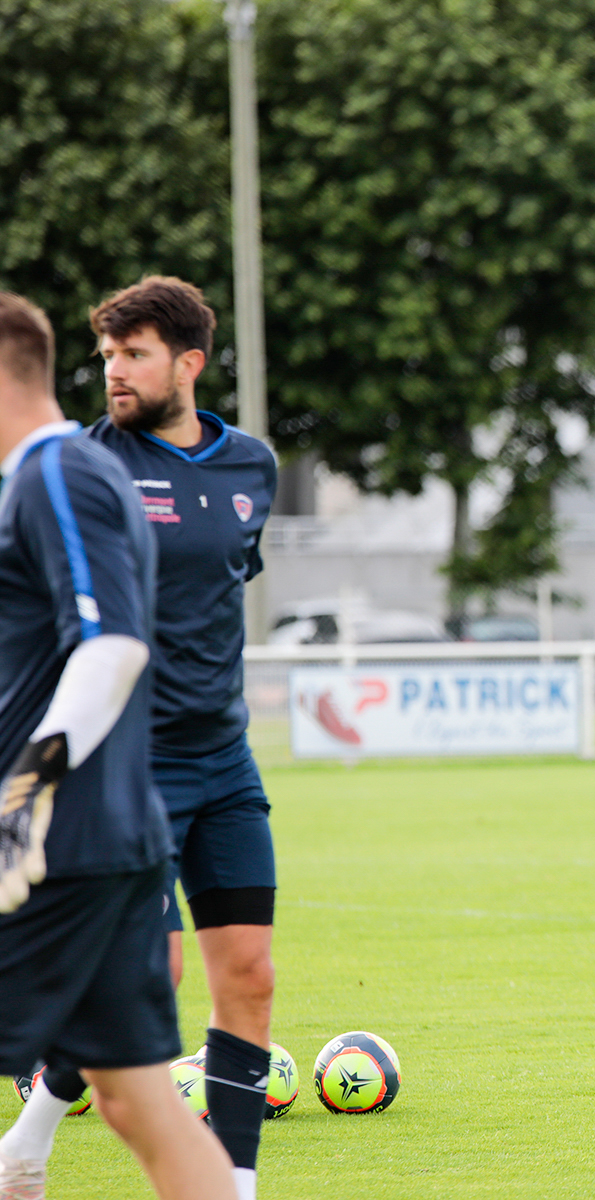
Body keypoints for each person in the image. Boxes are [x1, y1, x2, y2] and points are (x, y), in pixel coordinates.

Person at [4, 278, 278, 1200]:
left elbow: (221, 596)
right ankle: (28, 1138)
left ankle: (236, 1184)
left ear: (190, 363)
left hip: (226, 761)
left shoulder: (253, 469)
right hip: (129, 768)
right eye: (107, 355)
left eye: (136, 354)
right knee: (146, 974)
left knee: (249, 971)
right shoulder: (84, 465)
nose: (114, 372)